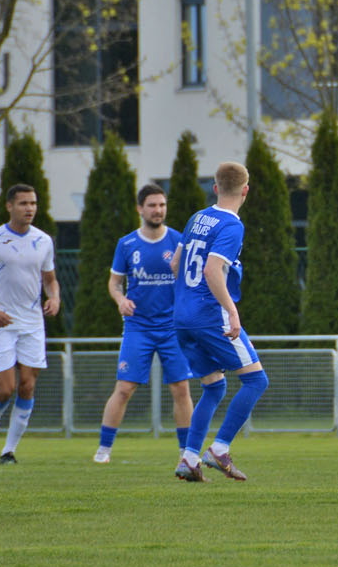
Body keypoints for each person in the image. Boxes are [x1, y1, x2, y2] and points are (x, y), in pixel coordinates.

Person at [170, 161, 270, 483]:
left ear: (215, 188)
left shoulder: (198, 217)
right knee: (257, 381)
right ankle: (220, 449)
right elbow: (212, 271)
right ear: (246, 190)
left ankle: (188, 459)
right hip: (209, 316)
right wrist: (232, 309)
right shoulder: (231, 225)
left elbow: (175, 264)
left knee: (215, 387)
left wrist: (187, 296)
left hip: (181, 317)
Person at [93, 184, 193, 464]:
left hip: (173, 327)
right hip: (138, 327)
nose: (158, 210)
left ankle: (186, 451)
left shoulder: (178, 241)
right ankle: (104, 449)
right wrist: (120, 300)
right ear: (140, 209)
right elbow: (114, 283)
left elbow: (190, 280)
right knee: (124, 388)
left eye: (162, 205)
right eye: (152, 205)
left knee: (181, 388)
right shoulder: (126, 244)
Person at [0, 183, 60, 465]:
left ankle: (9, 451)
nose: (29, 208)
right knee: (6, 389)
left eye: (33, 203)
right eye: (23, 203)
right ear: (9, 206)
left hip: (32, 323)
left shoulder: (43, 240)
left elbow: (50, 279)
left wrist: (54, 298)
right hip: (2, 323)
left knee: (28, 387)